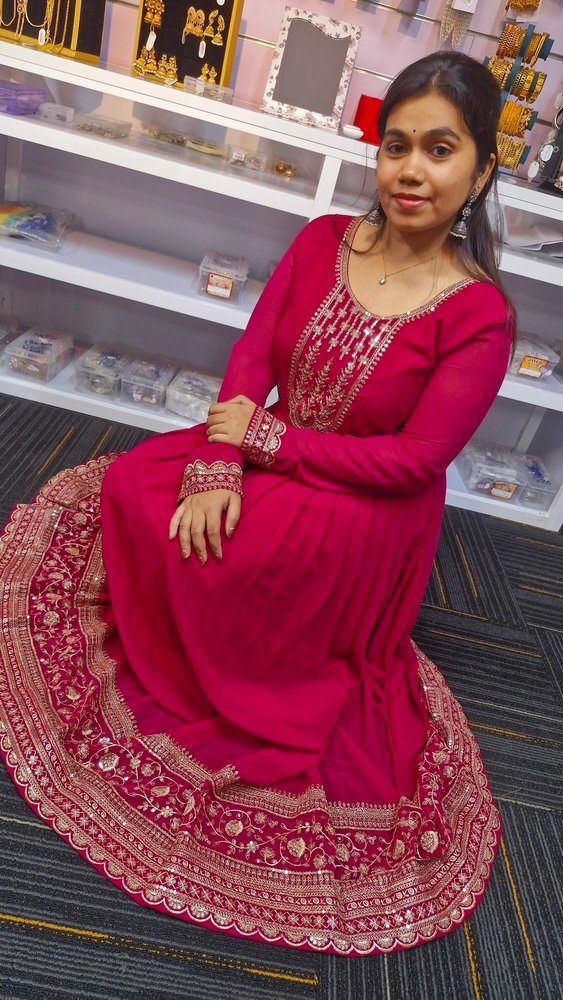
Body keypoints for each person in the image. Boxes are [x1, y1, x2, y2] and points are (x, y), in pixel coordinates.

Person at [0, 51, 513, 956]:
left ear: (478, 172)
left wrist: (261, 442)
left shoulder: (478, 315)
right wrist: (216, 463)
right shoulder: (323, 241)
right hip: (273, 448)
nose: (410, 171)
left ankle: (234, 665)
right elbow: (255, 355)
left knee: (237, 562)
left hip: (365, 502)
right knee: (139, 487)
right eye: (396, 146)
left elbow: (415, 459)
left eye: (439, 150)